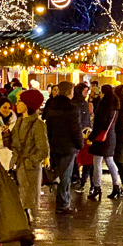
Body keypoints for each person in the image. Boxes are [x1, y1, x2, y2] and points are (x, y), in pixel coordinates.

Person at [7, 89, 50, 246]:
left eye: (20, 101)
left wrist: (30, 162)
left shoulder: (37, 124)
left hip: (28, 171)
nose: (16, 104)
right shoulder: (19, 121)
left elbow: (43, 150)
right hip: (18, 167)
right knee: (20, 208)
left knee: (25, 208)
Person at [44, 81, 82, 214]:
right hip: (68, 146)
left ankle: (61, 202)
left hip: (55, 144)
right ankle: (63, 204)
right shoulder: (71, 107)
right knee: (66, 176)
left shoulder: (52, 105)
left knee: (59, 174)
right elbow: (75, 129)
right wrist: (80, 144)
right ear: (70, 91)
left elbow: (48, 126)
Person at [89, 84, 122, 200]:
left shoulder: (104, 106)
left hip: (101, 137)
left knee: (97, 162)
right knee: (110, 161)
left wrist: (91, 137)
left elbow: (99, 124)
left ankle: (97, 187)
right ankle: (116, 186)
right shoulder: (115, 105)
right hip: (111, 136)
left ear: (103, 93)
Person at [0, 97, 16, 171]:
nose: (7, 110)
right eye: (4, 107)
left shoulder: (13, 122)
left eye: (9, 108)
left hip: (9, 156)